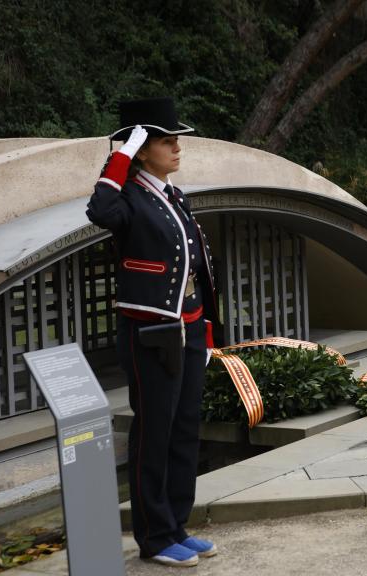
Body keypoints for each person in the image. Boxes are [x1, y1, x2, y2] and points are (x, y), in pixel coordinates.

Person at [87, 97, 220, 567]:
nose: (177, 147)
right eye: (166, 140)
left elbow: (197, 268)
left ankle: (177, 525)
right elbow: (98, 210)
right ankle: (155, 537)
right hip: (151, 335)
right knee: (154, 434)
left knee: (185, 430)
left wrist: (205, 328)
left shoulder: (171, 194)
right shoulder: (126, 199)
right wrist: (121, 153)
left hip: (186, 332)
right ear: (143, 148)